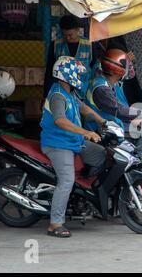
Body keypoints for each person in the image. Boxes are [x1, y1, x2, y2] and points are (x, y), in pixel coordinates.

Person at [41, 56, 107, 238]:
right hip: (57, 144)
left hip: (72, 141)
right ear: (66, 74)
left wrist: (102, 121)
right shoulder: (57, 96)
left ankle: (86, 195)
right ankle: (55, 224)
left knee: (102, 154)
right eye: (77, 73)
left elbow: (84, 108)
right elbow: (60, 120)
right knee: (66, 180)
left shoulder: (70, 93)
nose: (80, 76)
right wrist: (85, 132)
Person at [84, 48, 142, 133]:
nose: (129, 69)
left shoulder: (109, 82)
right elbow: (120, 110)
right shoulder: (102, 89)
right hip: (102, 130)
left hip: (112, 124)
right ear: (119, 71)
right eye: (127, 67)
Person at [43, 15, 99, 99]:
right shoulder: (55, 45)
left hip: (84, 91)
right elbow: (49, 71)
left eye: (70, 34)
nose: (68, 38)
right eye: (64, 35)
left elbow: (94, 67)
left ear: (77, 30)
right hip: (62, 91)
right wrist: (45, 95)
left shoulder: (89, 45)